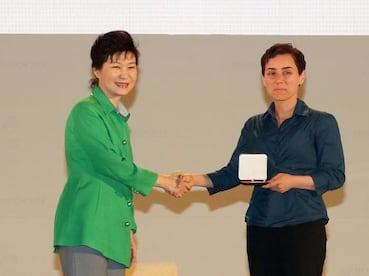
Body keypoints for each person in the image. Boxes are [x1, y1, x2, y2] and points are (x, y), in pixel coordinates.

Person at [181, 43, 345, 276]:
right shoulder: (254, 125)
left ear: (301, 77)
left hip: (304, 225)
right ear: (263, 79)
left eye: (287, 72)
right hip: (260, 226)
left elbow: (335, 175)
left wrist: (293, 181)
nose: (279, 79)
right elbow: (234, 172)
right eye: (272, 73)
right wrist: (193, 179)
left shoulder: (321, 122)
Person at [54, 30, 183, 276]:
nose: (125, 74)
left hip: (113, 232)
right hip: (86, 229)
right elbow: (112, 165)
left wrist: (128, 229)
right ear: (96, 70)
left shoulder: (119, 119)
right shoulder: (86, 112)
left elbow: (120, 183)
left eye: (131, 67)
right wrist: (164, 181)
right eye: (116, 66)